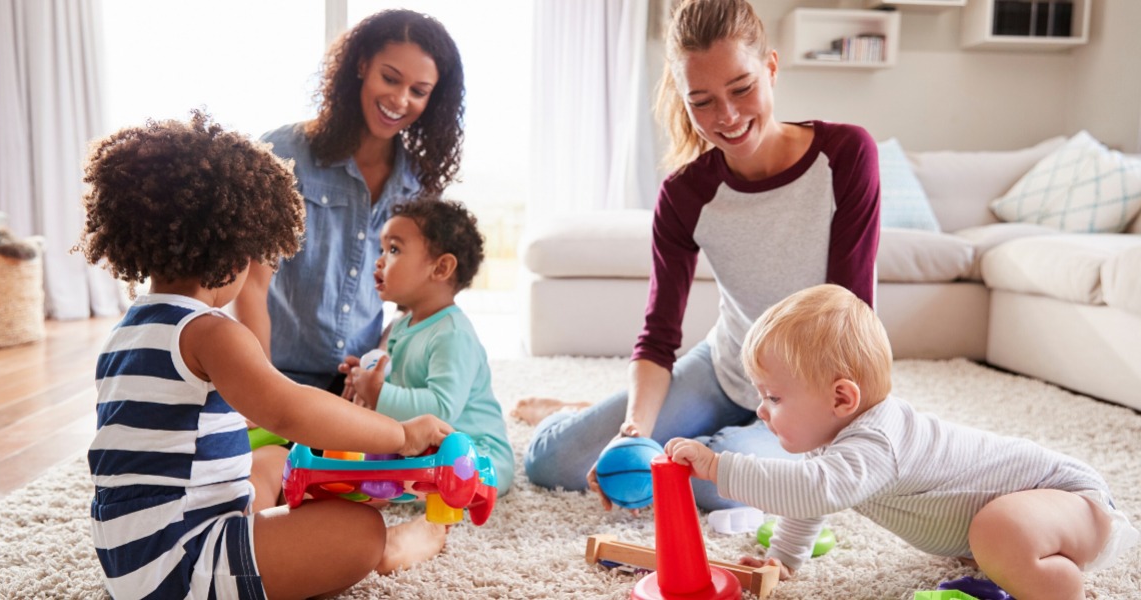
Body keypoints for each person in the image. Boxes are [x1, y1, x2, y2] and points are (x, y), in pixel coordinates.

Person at [514, 0, 880, 511]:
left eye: (742, 88)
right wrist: (633, 430)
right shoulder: (686, 194)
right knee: (551, 463)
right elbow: (659, 336)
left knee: (713, 485)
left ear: (770, 68)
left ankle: (656, 427)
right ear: (682, 98)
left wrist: (812, 416)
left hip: (808, 392)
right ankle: (579, 414)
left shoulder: (845, 156)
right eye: (702, 101)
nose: (726, 117)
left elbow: (850, 314)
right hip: (726, 371)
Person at [76, 111, 456, 600]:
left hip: (130, 551)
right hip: (183, 563)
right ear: (237, 259)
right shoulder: (210, 333)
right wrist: (401, 434)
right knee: (359, 529)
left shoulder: (126, 331)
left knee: (274, 460)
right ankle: (393, 547)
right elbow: (291, 408)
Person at [665, 283, 1139, 598]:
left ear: (842, 398)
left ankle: (1060, 587)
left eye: (773, 397)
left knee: (999, 529)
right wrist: (784, 559)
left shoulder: (879, 441)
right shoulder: (834, 438)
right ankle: (1010, 557)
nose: (761, 411)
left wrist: (717, 466)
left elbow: (814, 488)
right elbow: (808, 501)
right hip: (1041, 513)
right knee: (992, 533)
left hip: (1072, 501)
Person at [233, 8, 465, 504]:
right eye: (390, 77)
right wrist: (259, 387)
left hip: (355, 385)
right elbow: (253, 284)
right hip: (280, 375)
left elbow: (413, 298)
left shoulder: (420, 182)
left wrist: (381, 376)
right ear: (360, 64)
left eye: (419, 91)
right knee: (269, 470)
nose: (400, 100)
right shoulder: (284, 152)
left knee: (387, 481)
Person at [345, 199, 514, 496]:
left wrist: (379, 393)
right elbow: (400, 382)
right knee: (364, 460)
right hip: (425, 447)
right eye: (382, 249)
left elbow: (442, 409)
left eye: (394, 250)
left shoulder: (453, 334)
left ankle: (413, 489)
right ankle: (402, 485)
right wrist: (367, 379)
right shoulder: (401, 325)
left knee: (449, 477)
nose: (380, 260)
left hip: (476, 451)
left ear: (441, 268)